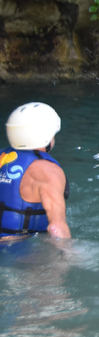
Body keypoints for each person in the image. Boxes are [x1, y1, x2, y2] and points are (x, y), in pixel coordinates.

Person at [0, 102, 71, 239]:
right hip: (18, 249)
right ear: (47, 135)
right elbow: (57, 227)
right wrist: (69, 257)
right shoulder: (47, 171)